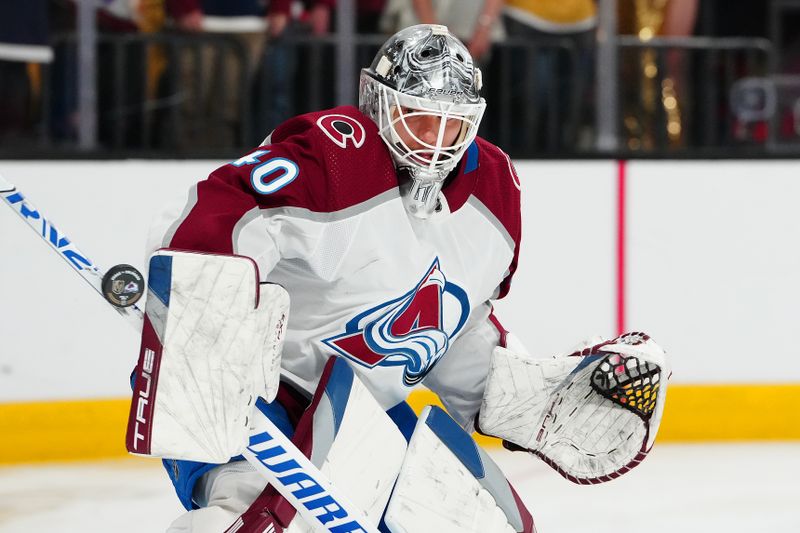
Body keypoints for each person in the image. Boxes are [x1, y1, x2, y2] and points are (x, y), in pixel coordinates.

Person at [135, 24, 669, 532]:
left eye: (451, 124)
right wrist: (198, 303)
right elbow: (223, 208)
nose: (435, 141)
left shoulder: (493, 198)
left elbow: (452, 329)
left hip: (366, 415)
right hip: (257, 393)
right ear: (379, 102)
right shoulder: (338, 158)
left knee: (482, 522)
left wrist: (528, 400)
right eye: (418, 118)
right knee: (247, 507)